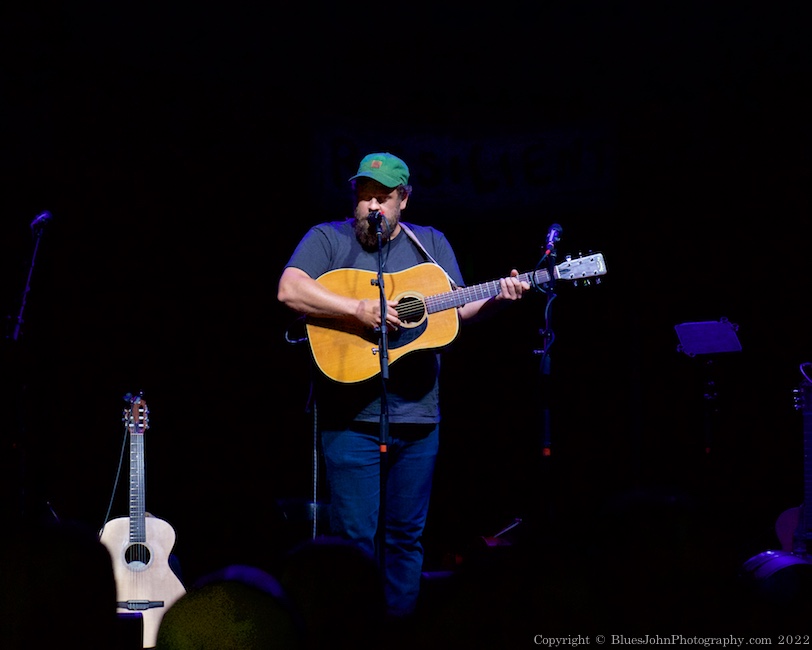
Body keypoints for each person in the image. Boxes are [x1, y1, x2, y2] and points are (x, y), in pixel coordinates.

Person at [276, 151, 530, 618]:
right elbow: (289, 289)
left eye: (383, 197)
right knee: (354, 541)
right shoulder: (327, 238)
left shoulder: (429, 244)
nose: (372, 205)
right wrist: (357, 309)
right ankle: (352, 630)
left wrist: (500, 298)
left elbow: (459, 308)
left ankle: (399, 631)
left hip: (418, 416)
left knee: (406, 538)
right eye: (365, 195)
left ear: (404, 200)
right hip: (349, 417)